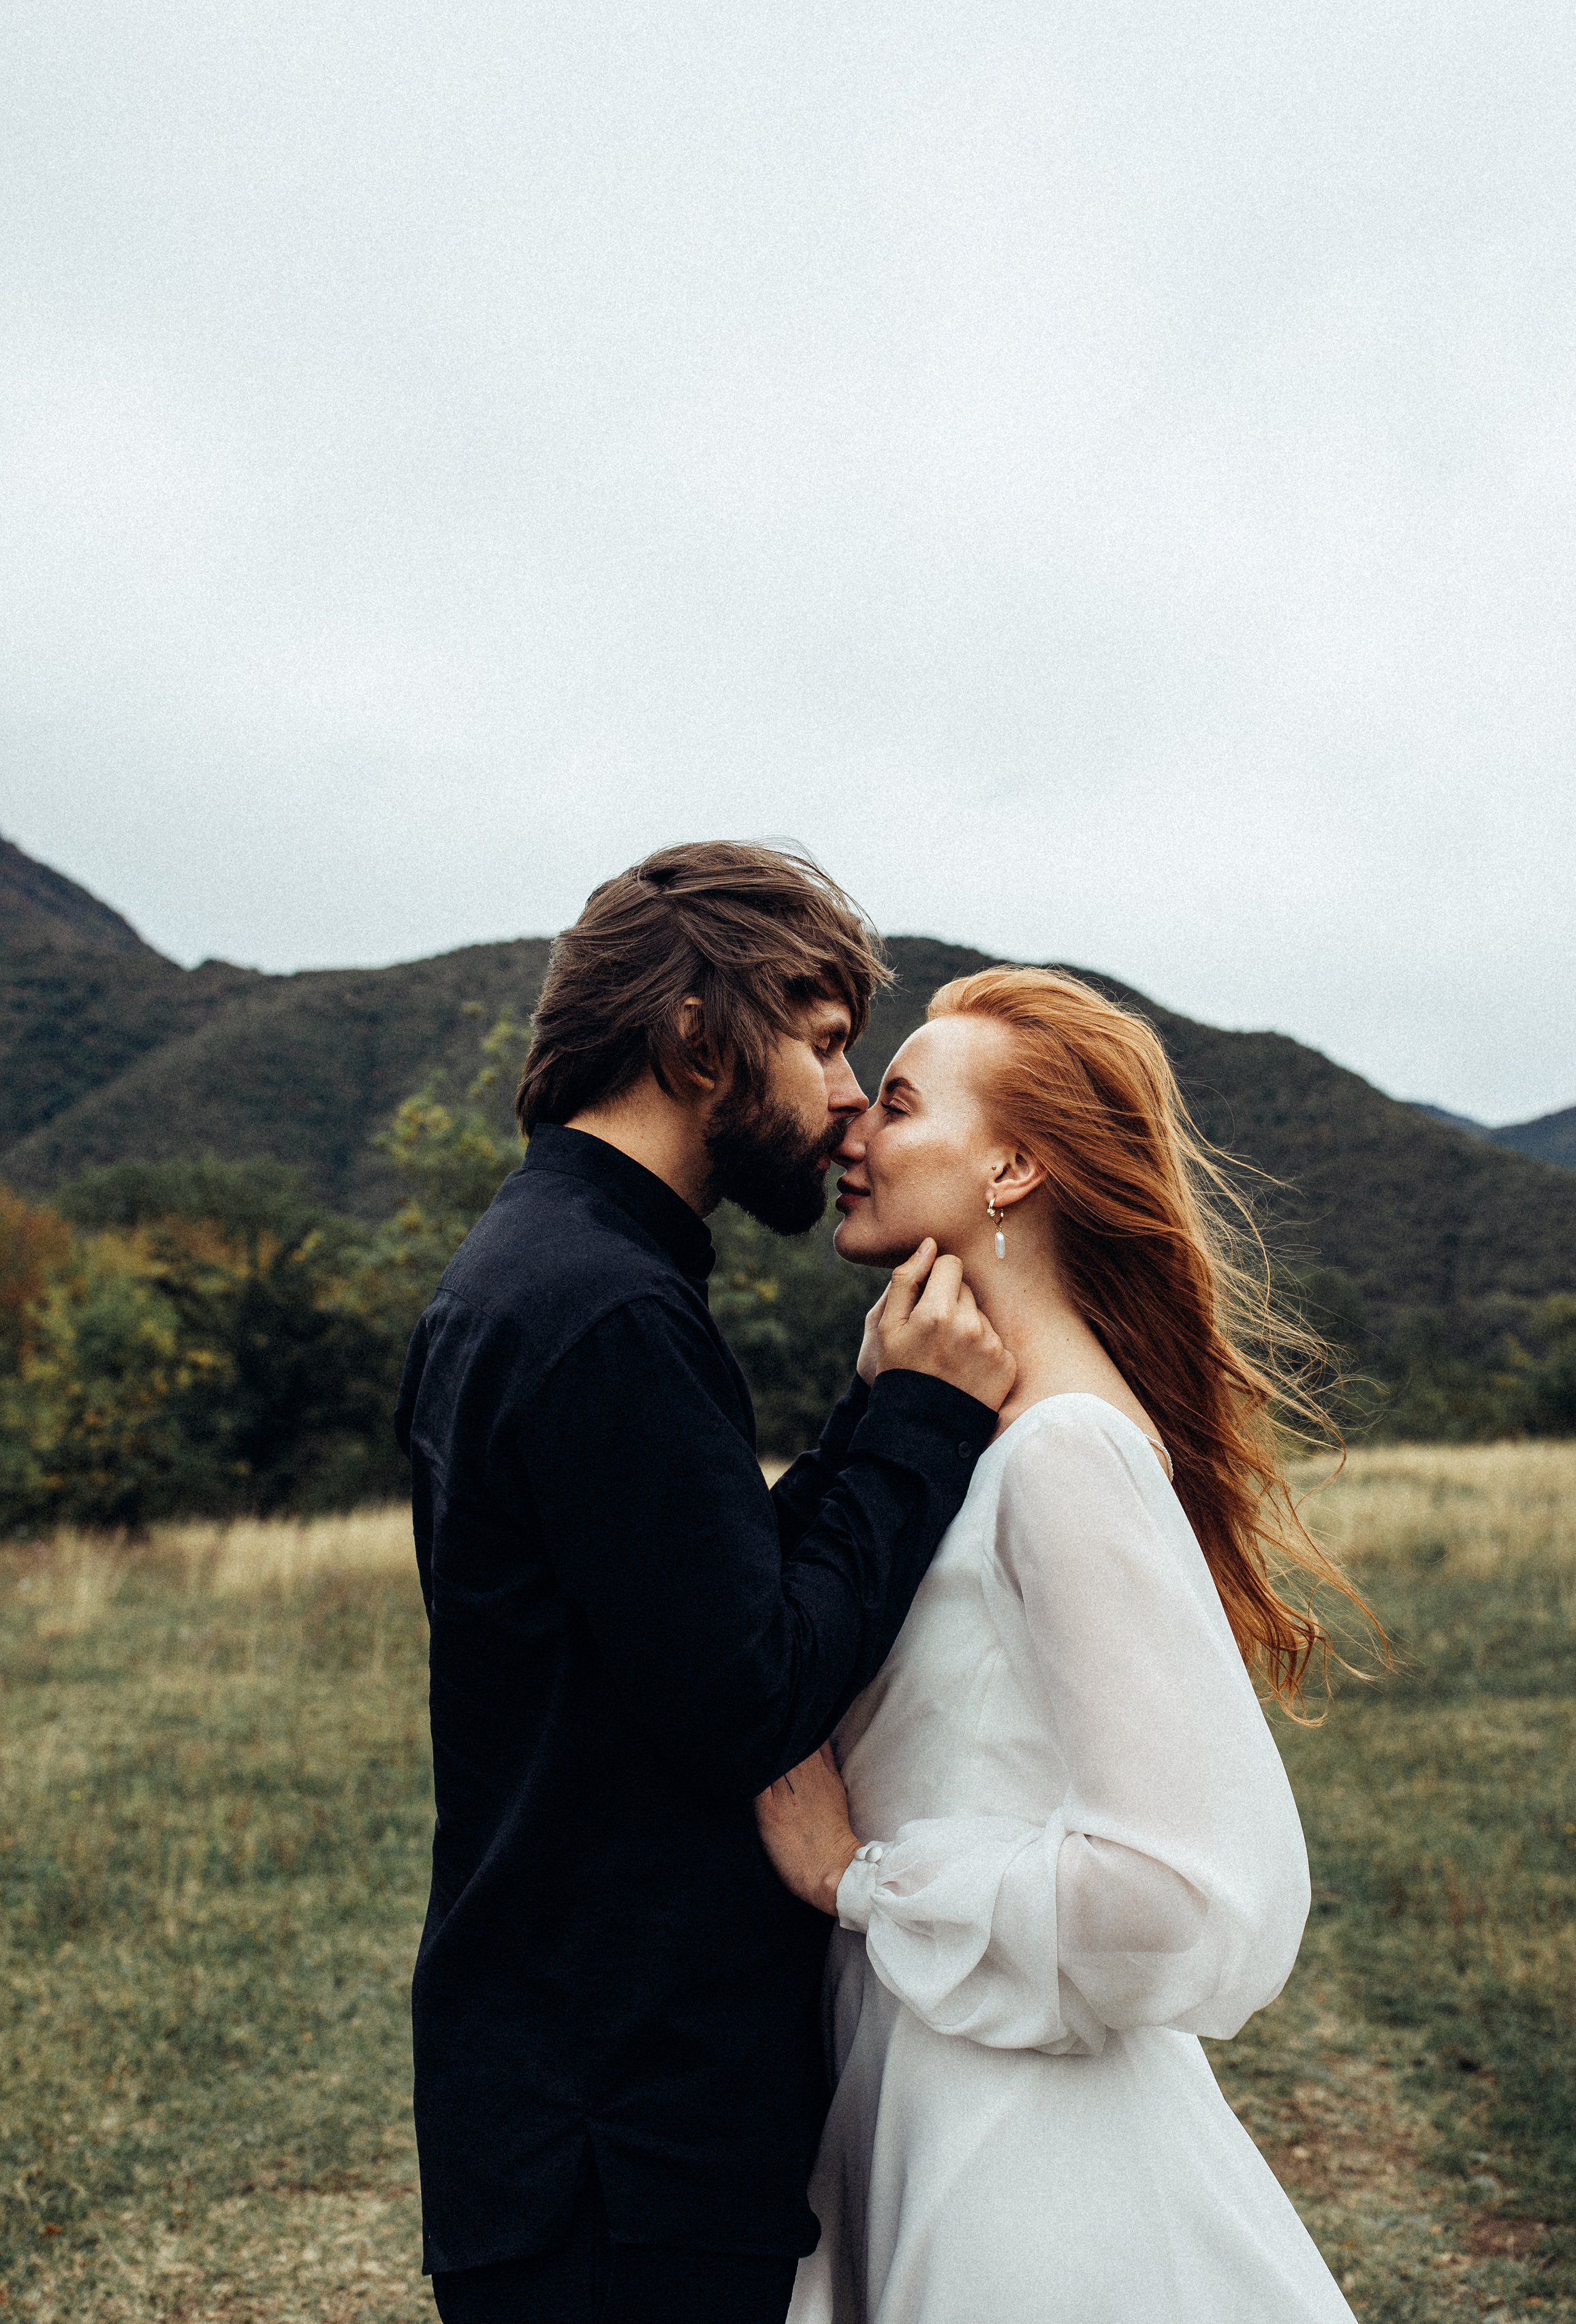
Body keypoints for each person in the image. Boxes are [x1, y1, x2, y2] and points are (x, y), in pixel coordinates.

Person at [397, 843, 1015, 2324]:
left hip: (570, 2103)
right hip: (619, 2135)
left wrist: (869, 1414)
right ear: (694, 1039)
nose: (849, 1094)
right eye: (821, 1043)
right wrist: (923, 1422)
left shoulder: (547, 1270)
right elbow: (752, 1693)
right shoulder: (606, 1307)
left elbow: (685, 1601)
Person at [756, 964, 1372, 2324]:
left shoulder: (1065, 1450)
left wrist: (858, 1879)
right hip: (907, 2058)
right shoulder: (960, 1426)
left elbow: (1175, 1888)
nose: (851, 1126)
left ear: (1012, 1168)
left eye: (899, 1104)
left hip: (1017, 2139)